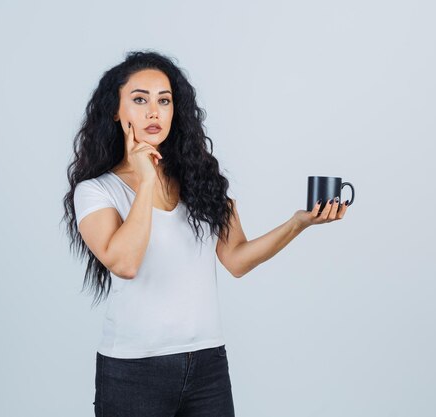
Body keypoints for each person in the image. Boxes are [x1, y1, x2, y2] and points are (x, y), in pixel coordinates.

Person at [62, 49, 349, 417]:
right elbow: (125, 262)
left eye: (164, 101)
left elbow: (237, 259)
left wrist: (298, 222)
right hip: (134, 372)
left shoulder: (201, 182)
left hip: (207, 366)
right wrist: (146, 180)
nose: (153, 111)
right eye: (139, 100)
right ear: (116, 111)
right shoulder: (97, 191)